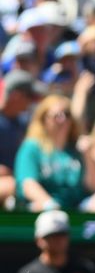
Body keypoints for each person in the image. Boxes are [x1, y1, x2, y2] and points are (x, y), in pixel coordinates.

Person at [14, 94, 95, 213]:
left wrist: (88, 156)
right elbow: (28, 184)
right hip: (46, 207)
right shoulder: (32, 147)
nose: (62, 119)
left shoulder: (77, 148)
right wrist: (49, 204)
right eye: (57, 116)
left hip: (78, 207)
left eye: (67, 115)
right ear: (44, 120)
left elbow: (93, 187)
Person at [0, 70, 43, 210]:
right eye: (30, 97)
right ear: (15, 95)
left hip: (20, 182)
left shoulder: (24, 123)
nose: (32, 102)